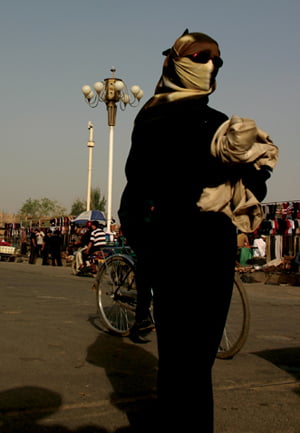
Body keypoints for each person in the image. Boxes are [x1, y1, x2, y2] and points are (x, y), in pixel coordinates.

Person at [118, 30, 277, 432]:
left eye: (216, 60)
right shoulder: (156, 117)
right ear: (174, 61)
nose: (210, 65)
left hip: (211, 253)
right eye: (201, 55)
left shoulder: (218, 123)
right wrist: (151, 244)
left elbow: (252, 182)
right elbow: (138, 188)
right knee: (184, 360)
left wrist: (252, 173)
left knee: (192, 360)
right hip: (175, 253)